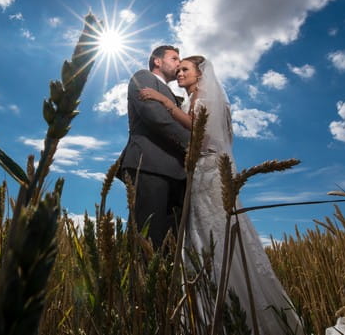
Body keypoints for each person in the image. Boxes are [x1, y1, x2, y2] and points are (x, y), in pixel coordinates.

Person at [139, 56, 304, 335]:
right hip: (198, 172)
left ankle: (236, 311)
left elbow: (199, 131)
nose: (179, 73)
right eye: (177, 69)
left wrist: (165, 103)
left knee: (216, 231)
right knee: (200, 236)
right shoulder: (194, 99)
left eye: (184, 69)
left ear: (200, 75)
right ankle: (207, 313)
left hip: (210, 172)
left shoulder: (207, 100)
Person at [117, 45, 190, 247]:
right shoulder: (143, 77)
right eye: (174, 58)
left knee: (171, 243)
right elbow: (156, 117)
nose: (179, 63)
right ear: (157, 61)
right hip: (150, 165)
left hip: (177, 174)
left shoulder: (174, 96)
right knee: (148, 237)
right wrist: (193, 144)